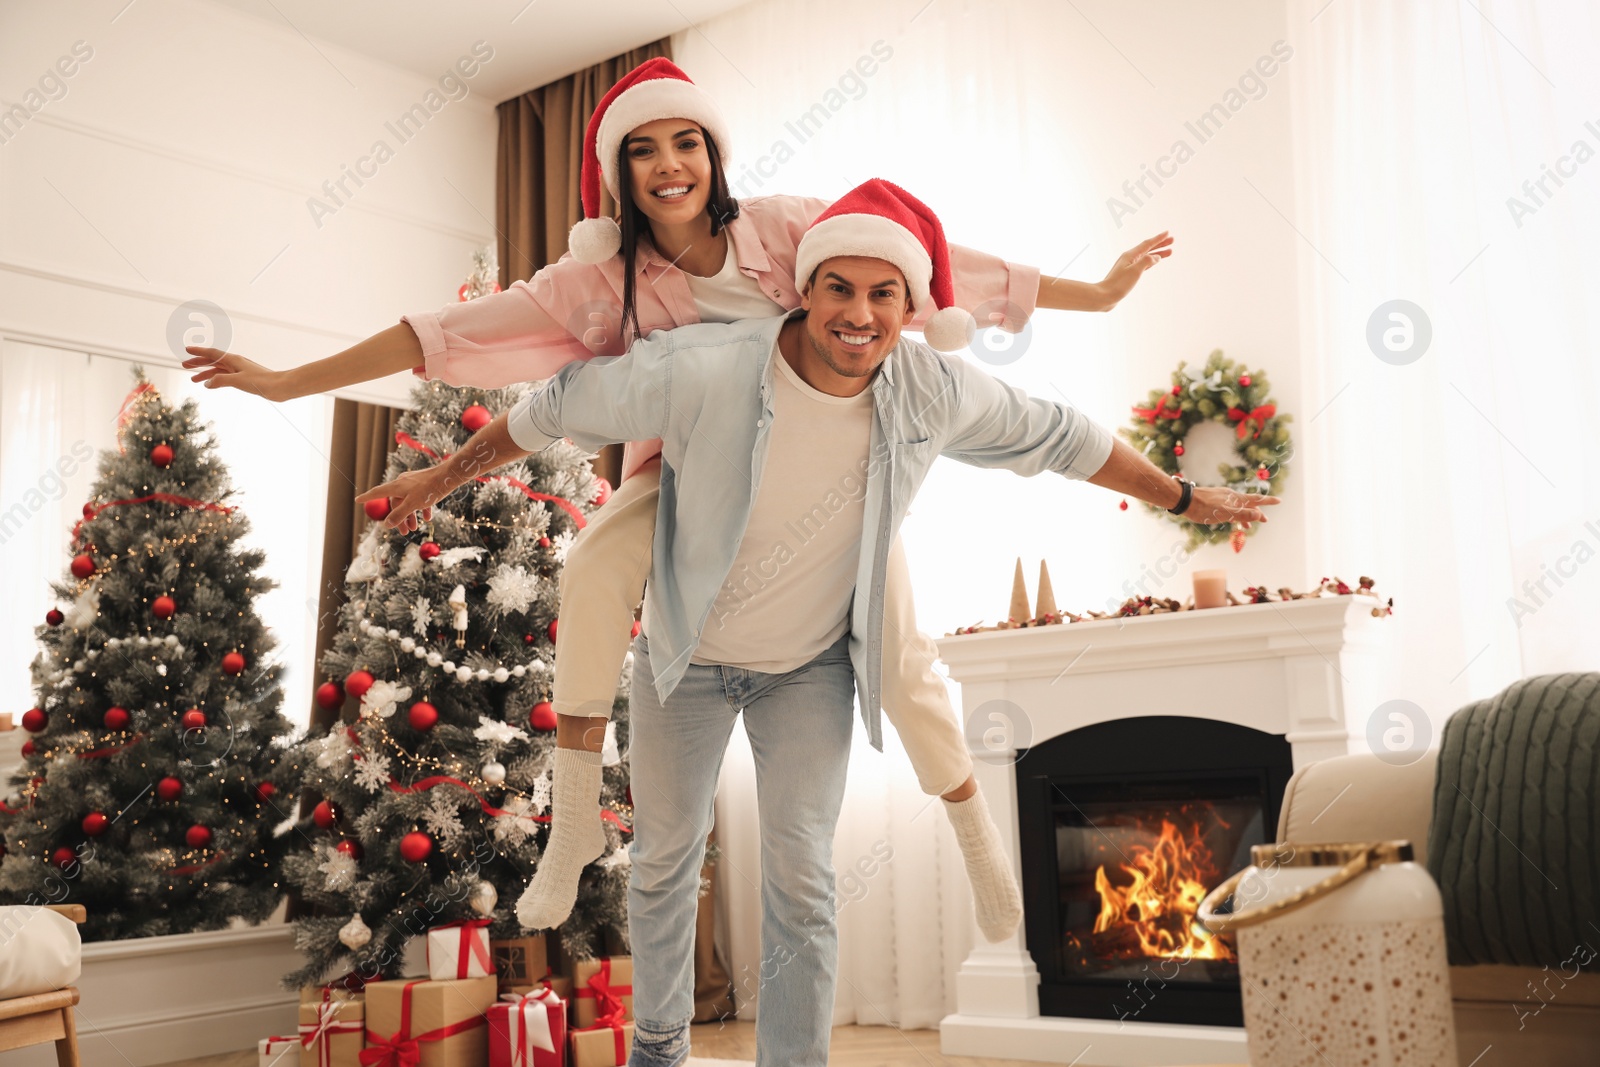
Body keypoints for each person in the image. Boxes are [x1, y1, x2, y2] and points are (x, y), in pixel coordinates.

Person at [182, 58, 1176, 940]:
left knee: (903, 655)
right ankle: (572, 817)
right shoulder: (594, 281)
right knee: (595, 561)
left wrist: (1098, 292)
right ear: (621, 172)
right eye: (646, 149)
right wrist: (286, 382)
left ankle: (977, 841)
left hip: (829, 474)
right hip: (683, 471)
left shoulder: (787, 227)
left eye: (687, 141)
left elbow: (933, 262)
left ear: (713, 153)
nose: (670, 165)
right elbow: (441, 333)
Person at [362, 178, 1275, 1067]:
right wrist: (436, 479)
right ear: (806, 289)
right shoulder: (708, 368)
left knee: (803, 882)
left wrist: (1183, 491)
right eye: (840, 285)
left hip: (811, 668)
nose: (860, 313)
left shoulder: (931, 388)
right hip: (687, 655)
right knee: (664, 866)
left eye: (885, 294)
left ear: (911, 305)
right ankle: (659, 1050)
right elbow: (553, 405)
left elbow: (1062, 437)